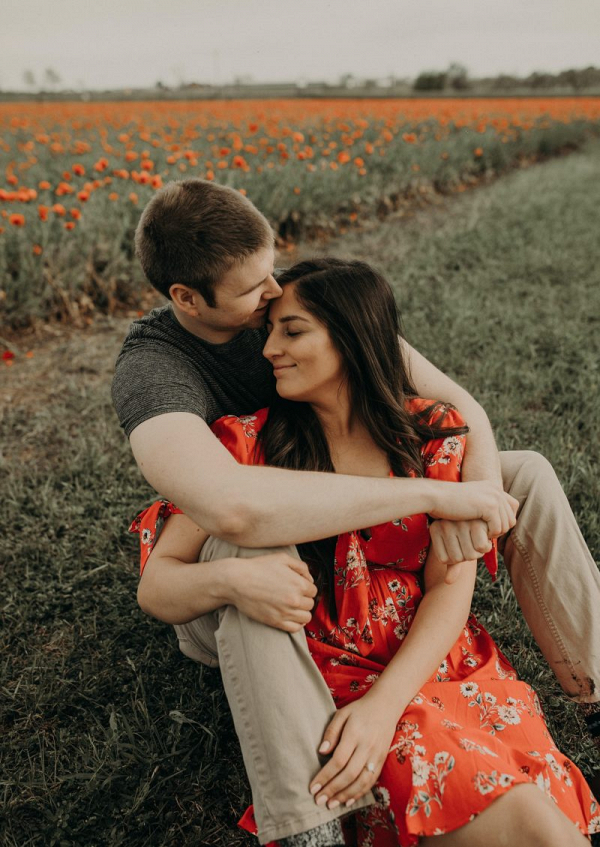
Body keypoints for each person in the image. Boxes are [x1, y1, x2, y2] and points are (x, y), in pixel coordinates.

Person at [112, 179, 600, 845]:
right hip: (238, 552)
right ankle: (307, 824)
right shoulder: (158, 372)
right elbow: (233, 507)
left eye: (275, 278)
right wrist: (434, 496)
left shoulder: (311, 307)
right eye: (257, 293)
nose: (270, 304)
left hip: (367, 532)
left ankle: (594, 686)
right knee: (250, 556)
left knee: (528, 475)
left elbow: (462, 410)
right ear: (188, 299)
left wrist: (468, 498)